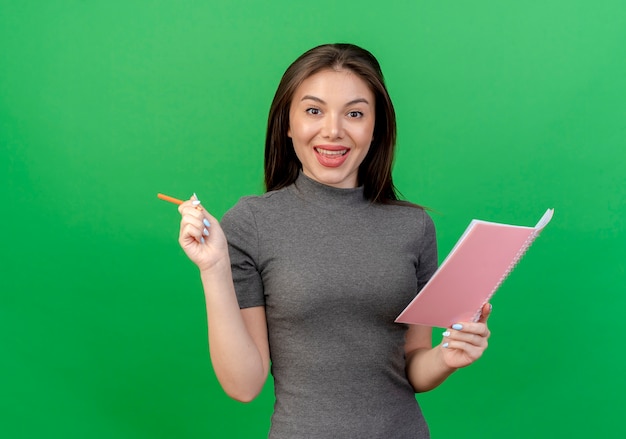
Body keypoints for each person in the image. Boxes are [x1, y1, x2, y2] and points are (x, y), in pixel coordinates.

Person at [176, 43, 491, 438]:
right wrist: (214, 267)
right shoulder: (251, 223)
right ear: (286, 124)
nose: (333, 131)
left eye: (355, 114)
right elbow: (244, 384)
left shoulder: (414, 227)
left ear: (376, 128)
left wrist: (448, 356)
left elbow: (413, 365)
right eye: (313, 110)